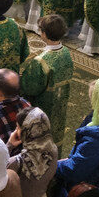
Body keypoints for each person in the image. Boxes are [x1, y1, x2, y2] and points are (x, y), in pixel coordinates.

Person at [20, 14, 74, 149]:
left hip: (43, 107)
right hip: (59, 104)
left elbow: (30, 88)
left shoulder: (41, 62)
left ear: (44, 34)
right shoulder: (66, 52)